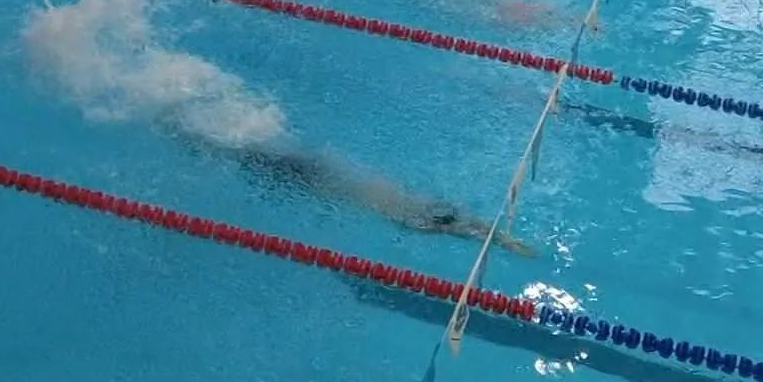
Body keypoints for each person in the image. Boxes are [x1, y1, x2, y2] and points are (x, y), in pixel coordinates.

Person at [229, 143, 537, 255]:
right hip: (391, 202)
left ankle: (505, 240)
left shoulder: (415, 218)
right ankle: (505, 240)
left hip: (400, 208)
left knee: (437, 220)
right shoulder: (412, 211)